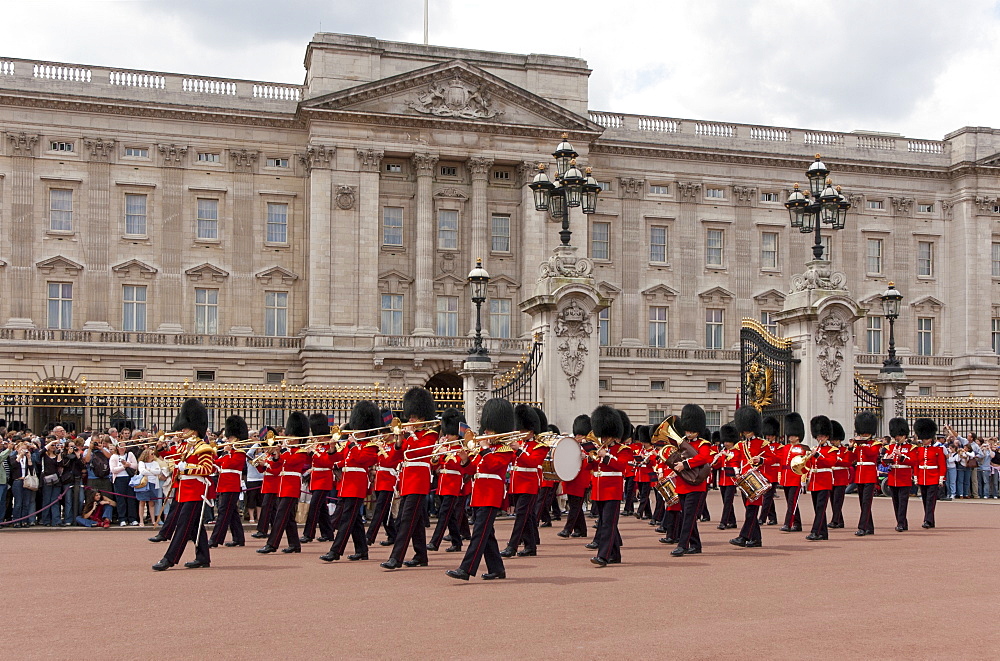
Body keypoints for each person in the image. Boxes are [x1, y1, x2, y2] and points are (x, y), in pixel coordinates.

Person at [446, 398, 517, 581]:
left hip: (492, 494)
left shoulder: (505, 449)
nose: (485, 433)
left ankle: (466, 568)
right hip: (479, 494)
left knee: (479, 533)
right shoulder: (483, 449)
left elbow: (494, 466)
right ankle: (497, 569)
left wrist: (485, 450)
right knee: (487, 533)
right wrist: (464, 460)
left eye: (489, 430)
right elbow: (473, 469)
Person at [153, 398, 216, 571]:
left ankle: (170, 558)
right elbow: (168, 454)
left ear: (194, 429)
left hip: (196, 492)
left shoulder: (203, 448)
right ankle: (203, 557)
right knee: (195, 526)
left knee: (183, 526)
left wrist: (186, 468)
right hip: (183, 491)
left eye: (185, 428)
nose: (182, 430)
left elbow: (207, 469)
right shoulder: (183, 447)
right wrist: (160, 447)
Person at [381, 387, 438, 570]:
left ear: (423, 418)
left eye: (414, 417)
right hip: (406, 483)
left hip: (418, 482)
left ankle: (396, 558)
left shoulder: (430, 435)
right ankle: (421, 556)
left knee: (405, 521)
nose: (410, 420)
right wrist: (398, 441)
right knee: (416, 522)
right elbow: (392, 459)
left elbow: (420, 452)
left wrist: (411, 434)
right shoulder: (409, 437)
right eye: (410, 416)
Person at [321, 401, 381, 562]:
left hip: (356, 485)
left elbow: (362, 460)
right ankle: (362, 550)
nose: (353, 431)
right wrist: (332, 449)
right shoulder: (351, 444)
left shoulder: (371, 445)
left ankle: (335, 551)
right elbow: (341, 460)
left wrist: (354, 446)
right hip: (345, 484)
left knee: (346, 519)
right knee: (354, 521)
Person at [584, 406, 634, 566]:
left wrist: (606, 457)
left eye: (605, 435)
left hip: (612, 491)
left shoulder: (622, 450)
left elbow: (622, 466)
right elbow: (589, 468)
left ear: (613, 435)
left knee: (606, 524)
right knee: (607, 523)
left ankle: (603, 556)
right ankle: (615, 555)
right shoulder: (600, 449)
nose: (603, 438)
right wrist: (590, 459)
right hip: (598, 491)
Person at [258, 412, 311, 554]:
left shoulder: (301, 452)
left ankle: (272, 544)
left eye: (291, 436)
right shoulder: (287, 452)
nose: (288, 438)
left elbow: (291, 462)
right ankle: (295, 544)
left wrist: (281, 452)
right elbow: (276, 467)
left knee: (280, 516)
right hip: (283, 487)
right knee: (288, 519)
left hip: (291, 487)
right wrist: (275, 456)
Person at [500, 404, 548, 559]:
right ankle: (530, 547)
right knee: (526, 517)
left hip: (529, 485)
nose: (519, 433)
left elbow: (532, 463)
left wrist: (519, 450)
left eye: (522, 430)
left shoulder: (540, 447)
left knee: (521, 516)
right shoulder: (520, 445)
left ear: (531, 431)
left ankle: (512, 546)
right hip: (516, 484)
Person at [668, 404, 712, 557]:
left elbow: (705, 457)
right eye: (687, 430)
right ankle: (696, 544)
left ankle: (682, 545)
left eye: (691, 431)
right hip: (682, 484)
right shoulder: (681, 444)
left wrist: (685, 464)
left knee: (688, 517)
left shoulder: (703, 444)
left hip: (696, 485)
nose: (689, 433)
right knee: (687, 515)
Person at [429, 408, 470, 553]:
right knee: (450, 515)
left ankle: (435, 542)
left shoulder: (462, 447)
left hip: (454, 484)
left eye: (450, 433)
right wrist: (436, 454)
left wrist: (444, 452)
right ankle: (457, 542)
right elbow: (434, 464)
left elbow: (460, 465)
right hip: (442, 484)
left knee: (444, 513)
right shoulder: (444, 446)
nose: (447, 436)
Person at [209, 416, 248, 548]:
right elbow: (216, 462)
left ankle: (215, 539)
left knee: (223, 512)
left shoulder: (240, 453)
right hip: (224, 486)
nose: (228, 440)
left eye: (230, 438)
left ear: (236, 439)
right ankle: (239, 539)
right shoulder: (229, 454)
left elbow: (231, 464)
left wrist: (228, 451)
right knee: (232, 514)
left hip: (232, 486)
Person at [367, 408, 401, 547]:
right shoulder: (383, 445)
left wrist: (381, 448)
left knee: (380, 510)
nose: (382, 435)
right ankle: (392, 535)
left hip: (388, 481)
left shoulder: (395, 446)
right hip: (380, 481)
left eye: (385, 433)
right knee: (385, 510)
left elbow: (389, 461)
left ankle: (369, 537)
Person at [301, 414, 336, 544]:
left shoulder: (329, 446)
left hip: (324, 479)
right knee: (321, 509)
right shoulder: (318, 444)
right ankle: (328, 533)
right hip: (315, 479)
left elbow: (327, 462)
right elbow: (309, 461)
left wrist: (312, 452)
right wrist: (306, 451)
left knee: (314, 507)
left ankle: (308, 534)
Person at [804, 416, 836, 542]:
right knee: (817, 508)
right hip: (814, 481)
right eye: (818, 437)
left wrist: (817, 455)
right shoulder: (814, 449)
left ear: (827, 437)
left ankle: (815, 531)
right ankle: (823, 533)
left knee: (820, 508)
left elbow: (830, 463)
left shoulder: (832, 449)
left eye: (822, 436)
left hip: (825, 481)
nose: (819, 439)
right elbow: (810, 465)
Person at [911, 418, 947, 528]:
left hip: (933, 477)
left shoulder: (938, 450)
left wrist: (941, 478)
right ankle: (931, 520)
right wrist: (916, 477)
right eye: (923, 438)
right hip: (922, 477)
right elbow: (916, 465)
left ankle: (927, 520)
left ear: (930, 438)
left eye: (926, 438)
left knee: (930, 500)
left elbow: (942, 465)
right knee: (925, 500)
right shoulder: (919, 450)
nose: (924, 440)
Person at [883, 417, 916, 532]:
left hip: (904, 478)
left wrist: (901, 456)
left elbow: (913, 462)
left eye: (898, 435)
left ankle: (901, 523)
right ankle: (902, 522)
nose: (896, 438)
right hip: (893, 477)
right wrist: (887, 458)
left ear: (904, 435)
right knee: (896, 503)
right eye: (895, 435)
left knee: (903, 503)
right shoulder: (891, 447)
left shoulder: (911, 448)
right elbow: (884, 462)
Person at [851, 411, 881, 536]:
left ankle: (862, 527)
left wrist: (861, 444)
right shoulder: (858, 445)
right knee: (862, 502)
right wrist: (850, 447)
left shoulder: (875, 444)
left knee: (866, 502)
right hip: (860, 475)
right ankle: (870, 527)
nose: (864, 434)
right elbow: (852, 458)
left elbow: (871, 454)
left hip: (869, 475)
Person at [778, 413, 807, 532]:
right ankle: (797, 524)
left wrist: (803, 480)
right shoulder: (785, 448)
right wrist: (780, 477)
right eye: (789, 435)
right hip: (786, 478)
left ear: (798, 436)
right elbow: (780, 463)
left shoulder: (803, 448)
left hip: (795, 478)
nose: (790, 437)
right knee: (791, 502)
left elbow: (805, 465)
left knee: (792, 502)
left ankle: (788, 524)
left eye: (793, 435)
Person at [757, 416, 782, 527]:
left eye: (771, 435)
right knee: (767, 497)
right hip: (763, 473)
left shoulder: (779, 447)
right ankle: (772, 518)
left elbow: (777, 459)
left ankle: (762, 518)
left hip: (773, 474)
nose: (768, 437)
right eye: (767, 435)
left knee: (767, 498)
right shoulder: (763, 446)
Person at [713, 425, 739, 530]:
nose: (726, 443)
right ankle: (732, 522)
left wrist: (726, 456)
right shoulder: (723, 452)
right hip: (723, 479)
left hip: (731, 480)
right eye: (725, 441)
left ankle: (723, 522)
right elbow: (718, 466)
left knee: (728, 502)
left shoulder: (736, 451)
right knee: (726, 501)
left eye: (728, 441)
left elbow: (735, 462)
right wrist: (716, 459)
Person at [110, 441, 139, 526]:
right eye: (120, 446)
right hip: (119, 479)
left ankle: (132, 518)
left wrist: (128, 464)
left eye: (123, 446)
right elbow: (113, 470)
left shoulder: (130, 454)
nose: (122, 448)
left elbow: (135, 465)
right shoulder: (114, 457)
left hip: (129, 478)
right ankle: (122, 518)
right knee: (121, 500)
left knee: (131, 499)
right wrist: (124, 467)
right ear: (117, 448)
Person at [136, 448, 166, 529]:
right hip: (144, 484)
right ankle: (141, 521)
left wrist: (149, 470)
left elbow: (158, 472)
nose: (153, 455)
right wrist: (152, 472)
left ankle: (153, 520)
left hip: (153, 484)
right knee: (142, 502)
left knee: (152, 503)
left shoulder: (155, 463)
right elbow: (142, 471)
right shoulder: (141, 462)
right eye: (151, 454)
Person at [10, 441, 38, 527]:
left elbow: (31, 468)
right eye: (21, 449)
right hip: (17, 481)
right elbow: (13, 465)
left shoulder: (26, 458)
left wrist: (29, 458)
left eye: (25, 449)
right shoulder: (13, 457)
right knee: (18, 502)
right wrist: (20, 456)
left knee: (26, 502)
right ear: (17, 449)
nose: (23, 451)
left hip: (26, 481)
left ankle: (24, 520)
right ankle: (16, 520)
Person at [828, 420, 850, 529]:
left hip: (841, 478)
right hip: (831, 478)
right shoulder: (829, 450)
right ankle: (840, 521)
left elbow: (848, 463)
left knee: (837, 501)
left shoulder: (844, 450)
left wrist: (837, 460)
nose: (833, 442)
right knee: (833, 500)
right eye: (832, 440)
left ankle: (835, 520)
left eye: (835, 440)